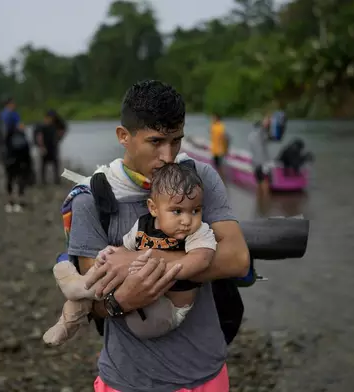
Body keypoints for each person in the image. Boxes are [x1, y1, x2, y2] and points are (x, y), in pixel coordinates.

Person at [61, 80, 250, 391]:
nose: (168, 156)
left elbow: (237, 259)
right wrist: (120, 301)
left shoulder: (197, 180)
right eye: (156, 141)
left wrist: (135, 261)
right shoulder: (90, 200)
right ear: (124, 136)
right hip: (129, 380)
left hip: (207, 373)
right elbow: (91, 297)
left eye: (176, 141)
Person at [44, 162, 217, 345]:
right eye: (177, 211)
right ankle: (68, 318)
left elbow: (201, 260)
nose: (187, 220)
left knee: (118, 281)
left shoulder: (198, 232)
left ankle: (81, 286)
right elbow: (125, 251)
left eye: (196, 210)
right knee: (109, 274)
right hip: (144, 298)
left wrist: (157, 268)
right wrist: (110, 253)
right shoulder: (143, 225)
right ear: (153, 208)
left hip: (167, 311)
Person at [4, 122, 32, 212]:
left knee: (10, 181)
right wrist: (29, 164)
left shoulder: (9, 136)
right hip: (20, 163)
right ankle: (19, 201)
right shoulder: (22, 138)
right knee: (20, 182)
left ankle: (10, 201)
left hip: (10, 162)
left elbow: (5, 149)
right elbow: (27, 152)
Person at [33, 110, 62, 185]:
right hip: (45, 148)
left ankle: (56, 180)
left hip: (53, 147)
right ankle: (43, 181)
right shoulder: (41, 126)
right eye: (49, 118)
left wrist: (59, 138)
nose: (50, 119)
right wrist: (41, 147)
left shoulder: (53, 125)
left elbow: (61, 129)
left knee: (55, 164)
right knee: (43, 165)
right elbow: (39, 137)